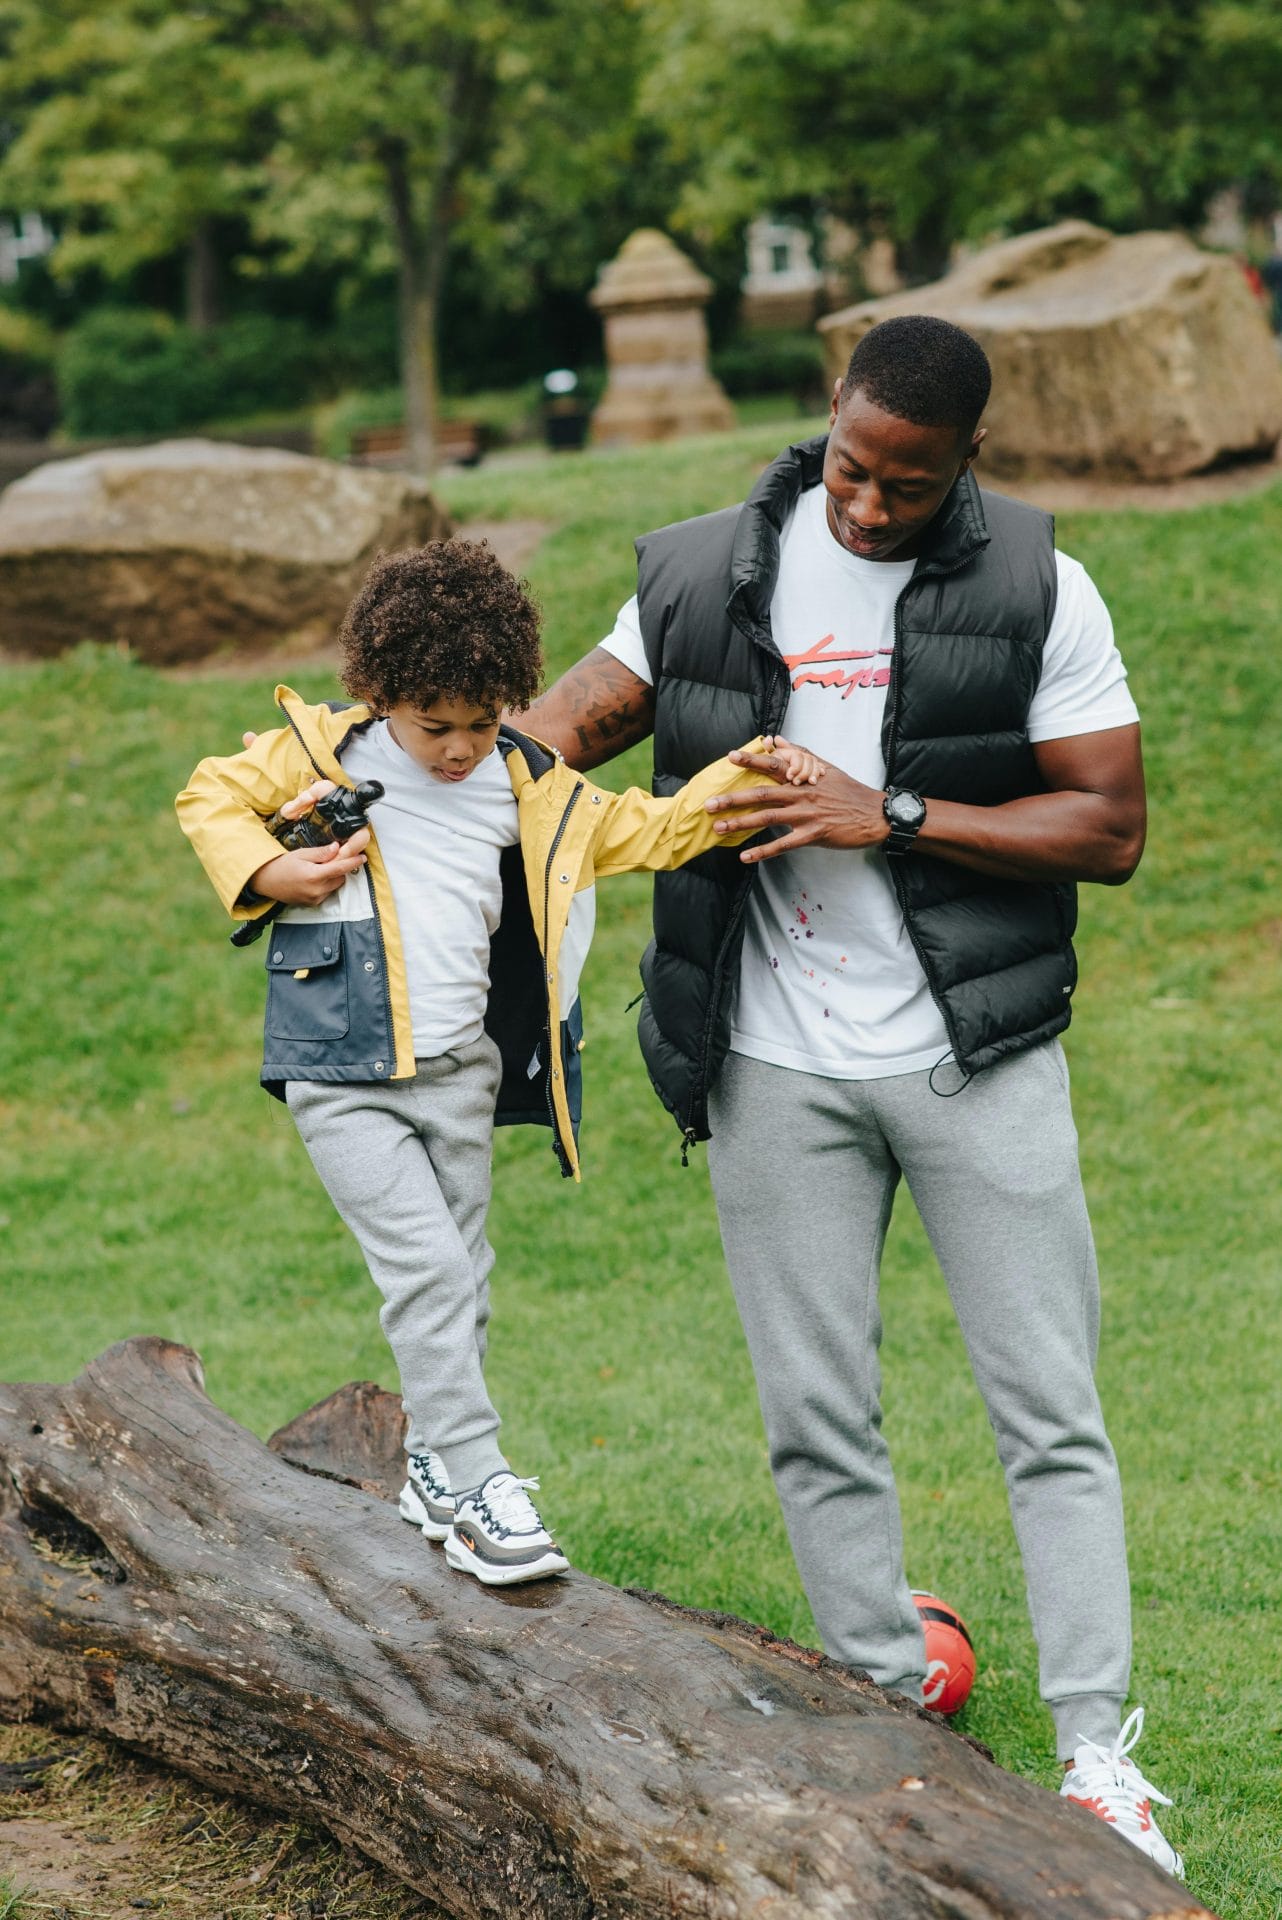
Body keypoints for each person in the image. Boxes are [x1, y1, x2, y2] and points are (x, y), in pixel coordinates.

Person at [518, 316, 1183, 1874]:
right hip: (771, 1060)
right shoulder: (700, 571)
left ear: (964, 464)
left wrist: (880, 811)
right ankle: (887, 1717)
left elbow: (1107, 824)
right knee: (814, 1416)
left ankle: (1099, 1761)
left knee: (1049, 1412)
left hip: (976, 1053)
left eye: (907, 484)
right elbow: (551, 738)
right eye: (850, 468)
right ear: (826, 415)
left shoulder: (1035, 585)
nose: (867, 508)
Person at [176, 539, 819, 1590]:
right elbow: (209, 795)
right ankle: (478, 1482)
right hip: (341, 1075)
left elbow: (649, 829)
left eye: (483, 722)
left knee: (463, 1276)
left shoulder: (526, 782)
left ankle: (430, 1467)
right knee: (425, 1271)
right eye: (436, 726)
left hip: (461, 1073)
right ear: (381, 693)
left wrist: (741, 769)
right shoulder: (320, 753)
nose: (461, 747)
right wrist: (273, 868)